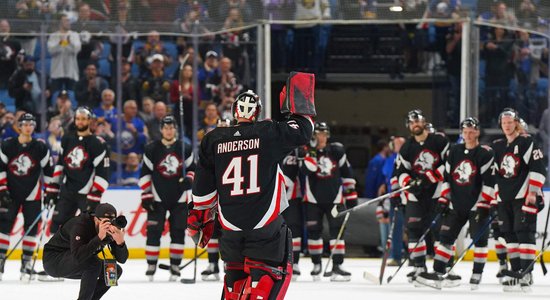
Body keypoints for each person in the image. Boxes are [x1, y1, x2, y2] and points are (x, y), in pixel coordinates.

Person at [188, 89, 314, 299]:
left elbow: (202, 191)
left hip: (230, 228)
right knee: (266, 277)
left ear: (234, 111)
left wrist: (200, 217)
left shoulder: (214, 139)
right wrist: (298, 103)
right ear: (257, 113)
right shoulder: (267, 132)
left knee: (234, 281)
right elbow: (304, 130)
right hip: (265, 225)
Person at [415, 117, 495, 290]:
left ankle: (476, 274)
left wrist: (484, 203)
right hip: (456, 204)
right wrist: (444, 197)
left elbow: (489, 181)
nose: (468, 135)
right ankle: (438, 271)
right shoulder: (454, 151)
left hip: (476, 205)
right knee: (445, 238)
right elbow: (447, 177)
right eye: (465, 132)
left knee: (479, 240)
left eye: (471, 131)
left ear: (478, 132)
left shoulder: (485, 153)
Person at [492, 108, 546, 292]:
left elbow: (538, 166)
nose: (507, 125)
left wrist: (533, 191)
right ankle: (515, 273)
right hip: (504, 198)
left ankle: (527, 273)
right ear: (501, 124)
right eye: (504, 122)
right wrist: (494, 197)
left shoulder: (527, 142)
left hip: (523, 196)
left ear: (516, 123)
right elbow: (496, 174)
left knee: (524, 233)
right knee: (509, 234)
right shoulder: (498, 146)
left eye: (510, 122)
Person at [395, 109, 449, 284]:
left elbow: (449, 163)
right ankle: (419, 266)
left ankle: (441, 268)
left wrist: (430, 177)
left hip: (437, 193)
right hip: (416, 195)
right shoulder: (407, 147)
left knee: (439, 231)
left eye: (417, 121)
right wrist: (409, 183)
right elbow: (401, 171)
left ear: (424, 122)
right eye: (411, 122)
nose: (415, 124)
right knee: (414, 231)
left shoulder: (438, 140)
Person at [139, 115, 195, 281]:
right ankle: (151, 265)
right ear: (161, 129)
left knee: (178, 232)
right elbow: (144, 174)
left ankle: (175, 265)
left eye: (171, 128)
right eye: (166, 127)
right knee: (153, 232)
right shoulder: (151, 149)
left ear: (175, 130)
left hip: (178, 198)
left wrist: (189, 180)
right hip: (157, 197)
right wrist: (147, 194)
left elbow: (193, 169)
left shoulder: (185, 147)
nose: (169, 131)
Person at [0, 113, 55, 280]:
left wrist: (51, 191)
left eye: (31, 124)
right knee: (3, 228)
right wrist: (2, 189)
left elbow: (49, 171)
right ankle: (0, 261)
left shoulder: (40, 147)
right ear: (19, 126)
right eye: (25, 124)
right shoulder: (7, 145)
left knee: (31, 228)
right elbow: (0, 168)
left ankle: (27, 263)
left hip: (33, 194)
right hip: (10, 194)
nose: (28, 127)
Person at [301, 121, 358, 281]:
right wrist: (311, 151)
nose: (322, 137)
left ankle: (337, 266)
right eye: (319, 133)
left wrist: (351, 194)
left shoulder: (336, 151)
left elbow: (347, 173)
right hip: (313, 199)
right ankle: (316, 265)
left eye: (324, 134)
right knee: (314, 232)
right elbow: (306, 170)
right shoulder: (306, 151)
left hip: (335, 199)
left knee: (337, 232)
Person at [43, 203, 128, 300]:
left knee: (114, 271)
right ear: (96, 219)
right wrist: (99, 237)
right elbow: (78, 256)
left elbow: (122, 260)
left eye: (112, 221)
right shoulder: (80, 225)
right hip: (53, 261)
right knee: (93, 264)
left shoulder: (109, 229)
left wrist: (120, 243)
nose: (108, 225)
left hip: (75, 260)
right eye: (105, 221)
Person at [50, 106, 110, 233]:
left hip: (87, 194)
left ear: (89, 120)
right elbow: (60, 164)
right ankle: (57, 253)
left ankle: (87, 253)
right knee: (57, 226)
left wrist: (96, 193)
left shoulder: (98, 143)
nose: (80, 122)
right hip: (67, 191)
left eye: (83, 119)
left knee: (88, 230)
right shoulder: (67, 139)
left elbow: (103, 172)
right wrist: (53, 187)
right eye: (77, 119)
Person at [281, 148, 304, 279]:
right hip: (273, 197)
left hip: (292, 197)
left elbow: (295, 173)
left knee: (294, 229)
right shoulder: (271, 145)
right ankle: (277, 260)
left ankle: (294, 263)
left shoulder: (295, 150)